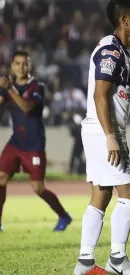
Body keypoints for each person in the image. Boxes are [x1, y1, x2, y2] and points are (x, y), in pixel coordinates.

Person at [73, 0, 130, 274]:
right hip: (103, 131)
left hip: (100, 130)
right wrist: (110, 136)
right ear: (125, 20)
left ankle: (84, 262)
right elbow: (99, 93)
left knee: (101, 194)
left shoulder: (121, 51)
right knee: (129, 191)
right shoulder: (111, 51)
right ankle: (117, 260)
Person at [0, 50, 72, 232]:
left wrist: (9, 89)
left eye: (25, 63)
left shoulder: (37, 87)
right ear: (12, 66)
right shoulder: (10, 87)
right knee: (0, 178)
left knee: (38, 188)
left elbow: (26, 107)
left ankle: (64, 215)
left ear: (30, 66)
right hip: (15, 143)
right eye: (17, 63)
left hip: (34, 147)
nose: (21, 67)